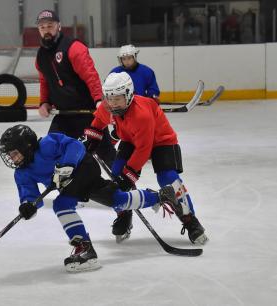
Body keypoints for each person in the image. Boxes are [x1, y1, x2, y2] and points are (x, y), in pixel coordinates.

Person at [0, 124, 182, 272]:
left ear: (27, 146)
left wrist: (68, 165)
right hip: (71, 182)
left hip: (84, 167)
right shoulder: (22, 173)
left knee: (62, 204)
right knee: (118, 200)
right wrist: (28, 206)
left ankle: (85, 249)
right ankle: (159, 196)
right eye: (10, 155)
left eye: (14, 153)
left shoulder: (48, 143)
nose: (12, 159)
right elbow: (31, 196)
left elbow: (76, 146)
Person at [82, 72, 209, 245]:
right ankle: (124, 213)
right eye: (109, 98)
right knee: (116, 175)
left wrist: (129, 175)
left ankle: (190, 220)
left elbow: (144, 149)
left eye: (117, 99)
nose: (112, 103)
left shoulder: (141, 114)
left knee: (168, 179)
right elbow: (97, 122)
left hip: (162, 141)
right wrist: (93, 139)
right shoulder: (107, 107)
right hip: (131, 140)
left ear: (128, 94)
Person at [34, 9, 115, 166]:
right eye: (42, 27)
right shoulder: (40, 56)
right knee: (52, 150)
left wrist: (99, 100)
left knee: (106, 155)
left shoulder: (74, 48)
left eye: (50, 26)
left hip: (88, 114)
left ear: (59, 26)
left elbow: (91, 76)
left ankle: (125, 186)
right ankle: (70, 188)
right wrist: (44, 102)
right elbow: (45, 82)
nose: (46, 30)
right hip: (63, 116)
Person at [107, 44, 161, 242]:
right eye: (124, 58)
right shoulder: (115, 74)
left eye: (130, 58)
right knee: (116, 176)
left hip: (140, 120)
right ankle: (123, 213)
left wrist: (149, 101)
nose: (127, 61)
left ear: (135, 56)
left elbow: (154, 92)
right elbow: (109, 100)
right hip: (125, 127)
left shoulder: (147, 72)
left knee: (128, 172)